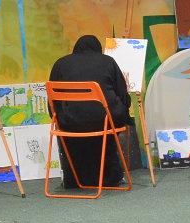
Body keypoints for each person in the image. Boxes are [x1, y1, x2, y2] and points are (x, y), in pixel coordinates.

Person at [48, 35, 133, 188]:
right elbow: (122, 93)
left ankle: (74, 180)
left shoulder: (61, 63)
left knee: (72, 134)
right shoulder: (108, 61)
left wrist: (59, 118)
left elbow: (53, 101)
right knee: (110, 122)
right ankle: (110, 178)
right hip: (105, 120)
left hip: (71, 122)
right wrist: (124, 113)